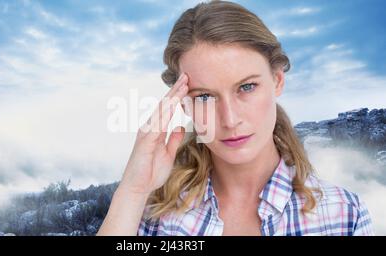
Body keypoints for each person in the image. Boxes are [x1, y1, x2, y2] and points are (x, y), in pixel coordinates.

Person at [97, 0, 374, 236]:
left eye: (246, 87)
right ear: (183, 103)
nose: (229, 119)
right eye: (205, 96)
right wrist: (133, 191)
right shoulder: (154, 218)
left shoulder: (344, 217)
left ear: (277, 80)